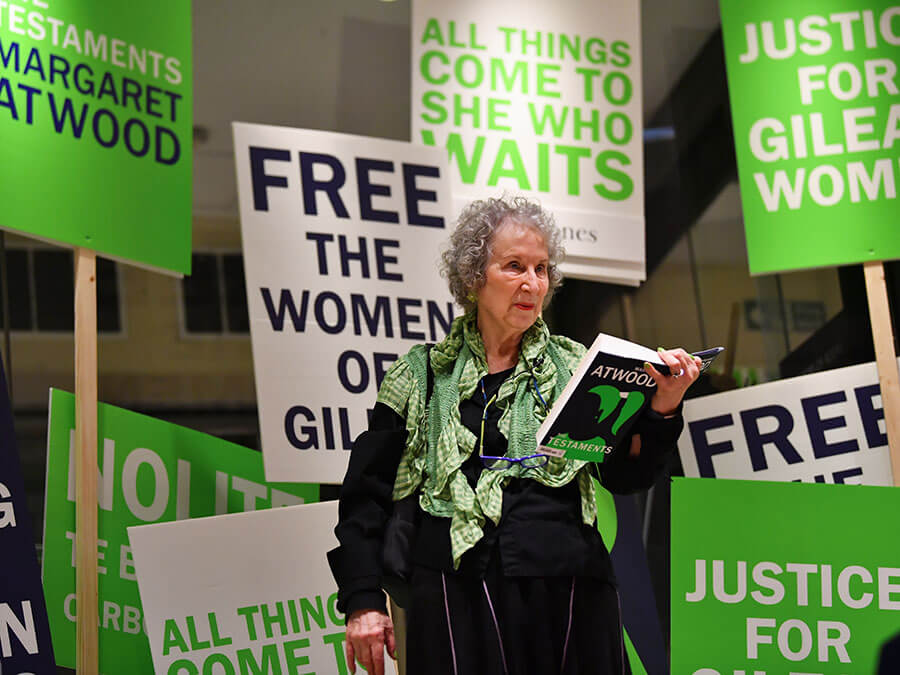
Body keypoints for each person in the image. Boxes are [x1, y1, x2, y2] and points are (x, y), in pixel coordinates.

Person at [328, 196, 700, 675]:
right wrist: (363, 599)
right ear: (473, 277)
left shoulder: (576, 367)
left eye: (541, 269)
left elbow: (625, 475)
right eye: (514, 266)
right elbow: (365, 498)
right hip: (455, 597)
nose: (532, 283)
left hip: (571, 597)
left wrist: (664, 407)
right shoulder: (420, 376)